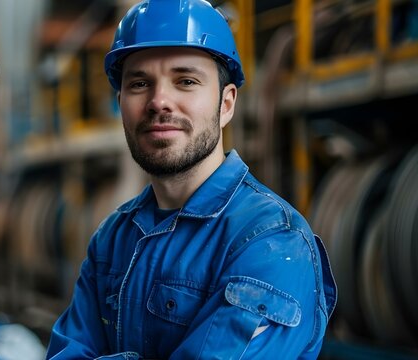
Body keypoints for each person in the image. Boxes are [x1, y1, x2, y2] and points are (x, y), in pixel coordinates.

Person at [46, 0, 337, 359]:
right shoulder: (112, 238)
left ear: (226, 104)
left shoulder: (272, 242)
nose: (159, 101)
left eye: (185, 80)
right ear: (121, 102)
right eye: (139, 83)